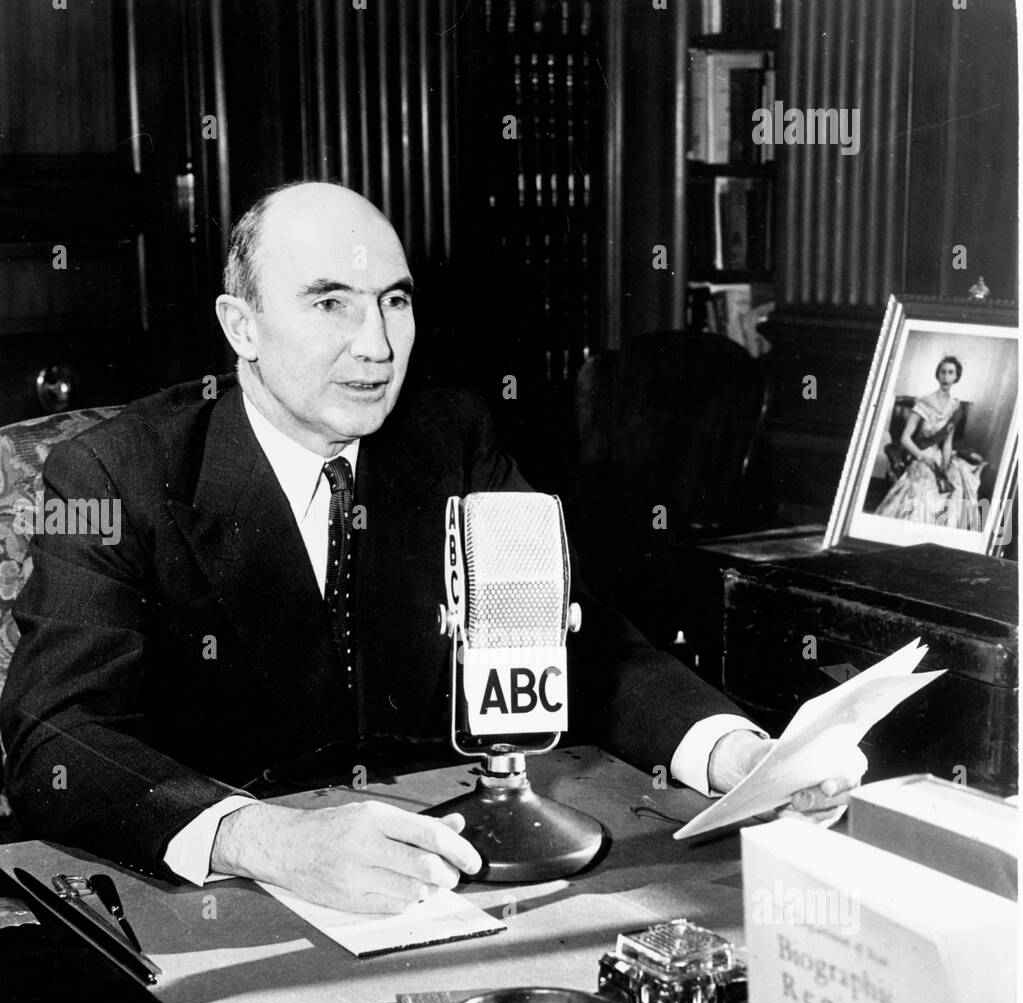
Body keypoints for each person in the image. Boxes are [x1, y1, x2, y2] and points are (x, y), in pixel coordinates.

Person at [0, 182, 863, 914]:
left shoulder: (448, 435)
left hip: (449, 871)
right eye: (330, 301)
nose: (376, 346)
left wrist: (738, 756)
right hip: (227, 892)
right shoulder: (115, 472)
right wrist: (263, 838)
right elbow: (58, 733)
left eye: (395, 301)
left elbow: (567, 641)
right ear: (241, 326)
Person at [875, 356, 986, 530]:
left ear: (956, 377)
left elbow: (948, 441)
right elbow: (905, 439)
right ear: (937, 375)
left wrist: (945, 464)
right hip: (920, 454)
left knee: (958, 483)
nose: (946, 377)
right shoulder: (923, 403)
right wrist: (923, 458)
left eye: (950, 373)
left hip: (939, 455)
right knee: (925, 491)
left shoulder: (955, 408)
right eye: (943, 372)